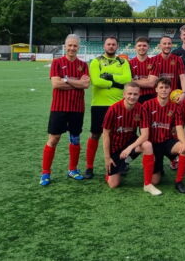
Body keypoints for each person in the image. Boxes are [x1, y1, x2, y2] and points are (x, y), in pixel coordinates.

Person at [39, 34, 91, 186]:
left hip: (77, 108)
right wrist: (76, 82)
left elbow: (86, 85)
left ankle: (73, 170)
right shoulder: (57, 62)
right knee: (54, 139)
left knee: (75, 138)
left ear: (78, 47)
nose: (72, 48)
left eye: (75, 46)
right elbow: (56, 84)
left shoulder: (83, 65)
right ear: (65, 46)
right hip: (59, 108)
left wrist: (66, 80)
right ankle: (45, 173)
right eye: (70, 45)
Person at [101, 82, 162, 195]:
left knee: (147, 145)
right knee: (114, 184)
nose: (132, 97)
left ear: (139, 95)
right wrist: (107, 157)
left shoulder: (141, 109)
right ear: (124, 94)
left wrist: (130, 148)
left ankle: (147, 184)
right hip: (115, 148)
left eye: (135, 94)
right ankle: (118, 167)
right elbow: (105, 134)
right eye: (129, 94)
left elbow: (145, 135)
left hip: (130, 143)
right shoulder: (113, 109)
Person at [86, 36, 132, 179]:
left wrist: (110, 77)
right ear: (104, 46)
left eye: (113, 44)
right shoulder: (96, 61)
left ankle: (119, 164)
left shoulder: (123, 62)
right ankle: (89, 167)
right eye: (108, 44)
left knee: (118, 136)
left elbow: (127, 79)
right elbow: (96, 81)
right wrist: (116, 83)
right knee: (95, 134)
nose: (111, 46)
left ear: (117, 46)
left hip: (118, 105)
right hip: (99, 104)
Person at [141, 77, 185, 190]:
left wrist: (184, 143)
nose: (164, 90)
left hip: (167, 141)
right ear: (156, 89)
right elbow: (143, 130)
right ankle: (156, 166)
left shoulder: (175, 107)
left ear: (170, 89)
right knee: (155, 181)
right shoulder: (147, 105)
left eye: (166, 87)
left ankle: (179, 182)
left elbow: (179, 127)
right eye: (161, 87)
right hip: (153, 144)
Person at [151, 35, 185, 102]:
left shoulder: (178, 59)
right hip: (158, 97)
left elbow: (182, 77)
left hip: (174, 96)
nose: (167, 46)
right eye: (164, 44)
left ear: (172, 45)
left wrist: (184, 93)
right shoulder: (153, 60)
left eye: (169, 43)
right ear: (160, 46)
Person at [128, 36, 159, 103]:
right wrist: (146, 80)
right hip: (134, 97)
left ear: (148, 47)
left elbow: (151, 83)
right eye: (139, 45)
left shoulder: (154, 62)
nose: (142, 47)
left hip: (150, 97)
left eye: (144, 45)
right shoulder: (129, 63)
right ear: (135, 47)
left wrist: (133, 80)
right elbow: (128, 82)